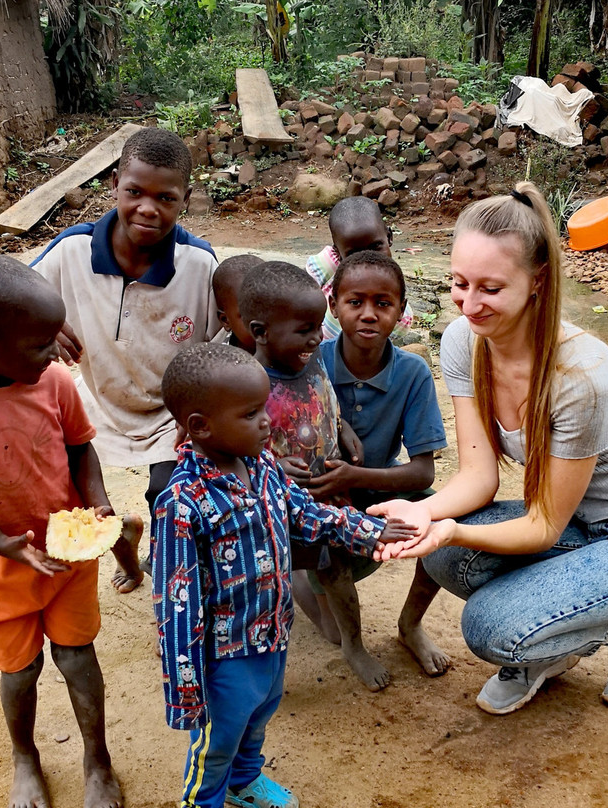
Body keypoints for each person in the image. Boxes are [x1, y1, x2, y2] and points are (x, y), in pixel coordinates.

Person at [373, 184, 608, 716]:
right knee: (444, 556)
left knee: (490, 626)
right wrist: (424, 513)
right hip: (577, 526)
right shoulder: (464, 341)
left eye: (490, 288)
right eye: (460, 284)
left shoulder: (581, 375)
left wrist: (455, 528)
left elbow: (543, 527)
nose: (470, 304)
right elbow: (478, 477)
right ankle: (550, 633)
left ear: (537, 281)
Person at [0, 255, 142, 808]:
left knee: (76, 656)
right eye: (41, 343)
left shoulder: (55, 382)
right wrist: (0, 543)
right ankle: (26, 757)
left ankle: (98, 761)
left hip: (69, 557)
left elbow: (80, 450)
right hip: (1, 563)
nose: (56, 352)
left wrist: (100, 504)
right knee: (20, 669)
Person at [151, 343, 413, 808]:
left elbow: (306, 513)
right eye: (251, 413)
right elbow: (176, 606)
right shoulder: (181, 504)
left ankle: (244, 782)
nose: (268, 421)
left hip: (271, 634)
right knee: (217, 741)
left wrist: (371, 532)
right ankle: (206, 799)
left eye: (264, 407)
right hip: (223, 655)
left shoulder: (262, 465)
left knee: (258, 716)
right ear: (200, 426)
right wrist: (186, 688)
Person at [31, 127, 220, 576]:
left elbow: (220, 346)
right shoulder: (72, 250)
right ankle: (117, 541)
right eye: (134, 191)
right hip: (93, 402)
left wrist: (194, 409)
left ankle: (159, 551)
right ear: (114, 183)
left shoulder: (198, 265)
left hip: (169, 412)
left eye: (166, 198)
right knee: (68, 490)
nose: (147, 209)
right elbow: (13, 295)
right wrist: (45, 323)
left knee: (169, 492)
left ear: (185, 199)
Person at [238, 260, 391, 691]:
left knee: (336, 572)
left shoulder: (313, 356)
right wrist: (266, 464)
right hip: (270, 508)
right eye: (305, 329)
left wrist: (341, 425)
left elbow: (323, 393)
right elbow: (226, 448)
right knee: (267, 586)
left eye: (319, 326)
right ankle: (259, 670)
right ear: (261, 331)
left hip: (323, 499)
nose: (317, 337)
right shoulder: (246, 384)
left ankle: (354, 646)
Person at [304, 249, 452, 677]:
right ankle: (351, 643)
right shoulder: (311, 363)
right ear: (333, 305)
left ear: (401, 312)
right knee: (331, 622)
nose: (369, 314)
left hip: (380, 489)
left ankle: (410, 625)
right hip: (322, 499)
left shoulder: (412, 373)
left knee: (443, 520)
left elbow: (423, 471)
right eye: (355, 302)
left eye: (383, 303)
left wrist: (357, 476)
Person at [305, 195, 414, 340]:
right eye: (353, 253)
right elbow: (300, 299)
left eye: (376, 246)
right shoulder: (326, 264)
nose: (366, 261)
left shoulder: (401, 314)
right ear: (337, 252)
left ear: (389, 237)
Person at [212, 253, 263, 353]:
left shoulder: (294, 356)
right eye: (251, 314)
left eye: (271, 311)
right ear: (226, 320)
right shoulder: (220, 364)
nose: (265, 322)